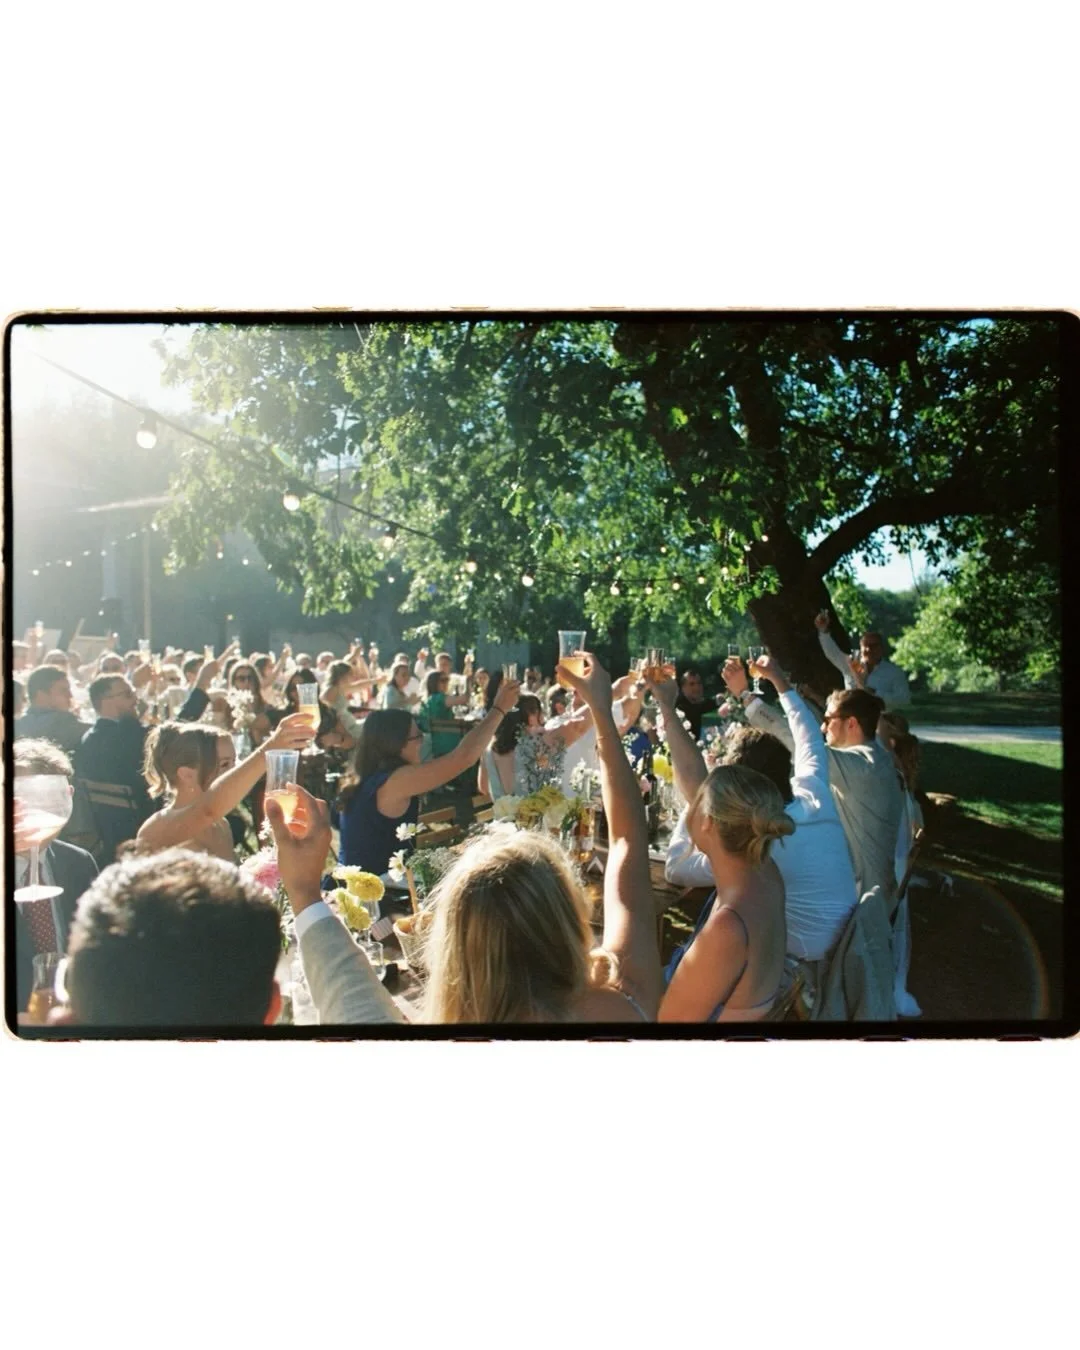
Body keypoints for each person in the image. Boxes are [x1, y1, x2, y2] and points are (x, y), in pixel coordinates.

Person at [422, 653, 662, 1023]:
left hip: (497, 853)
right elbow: (627, 841)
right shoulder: (540, 746)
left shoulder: (489, 753)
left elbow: (487, 791)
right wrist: (607, 695)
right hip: (536, 870)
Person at [665, 656, 858, 963]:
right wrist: (780, 682)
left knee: (721, 913)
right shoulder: (813, 793)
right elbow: (808, 737)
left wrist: (698, 800)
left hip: (799, 961)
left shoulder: (759, 841)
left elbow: (675, 870)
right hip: (844, 946)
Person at [334, 677, 521, 875]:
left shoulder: (371, 776)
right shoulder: (394, 781)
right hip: (372, 896)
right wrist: (499, 709)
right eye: (417, 736)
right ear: (396, 744)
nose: (423, 740)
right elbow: (462, 758)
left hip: (373, 885)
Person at [135, 713, 314, 860]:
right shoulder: (157, 830)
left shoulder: (221, 825)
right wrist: (270, 747)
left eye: (234, 762)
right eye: (224, 765)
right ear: (187, 775)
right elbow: (207, 810)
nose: (234, 772)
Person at [12, 739, 99, 1015]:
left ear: (68, 798)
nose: (32, 813)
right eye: (23, 801)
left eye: (47, 801)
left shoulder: (79, 862)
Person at [73, 674, 156, 861]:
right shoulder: (128, 736)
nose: (135, 699)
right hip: (141, 828)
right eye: (128, 694)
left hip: (108, 833)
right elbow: (172, 740)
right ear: (106, 701)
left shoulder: (90, 737)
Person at [478, 693, 593, 799]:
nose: (542, 719)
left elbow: (483, 787)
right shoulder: (538, 743)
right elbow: (577, 727)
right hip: (539, 819)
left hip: (502, 820)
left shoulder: (489, 749)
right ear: (531, 716)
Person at [814, 610, 910, 710]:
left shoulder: (894, 672)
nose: (869, 649)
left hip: (880, 721)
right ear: (860, 647)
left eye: (874, 646)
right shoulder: (851, 663)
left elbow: (904, 700)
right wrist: (823, 631)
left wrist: (874, 693)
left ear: (882, 648)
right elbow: (832, 653)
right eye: (866, 645)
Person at [15, 664, 94, 755]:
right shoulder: (63, 721)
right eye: (63, 690)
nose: (70, 695)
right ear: (41, 695)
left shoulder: (18, 724)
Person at [418, 668, 471, 760]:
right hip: (448, 742)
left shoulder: (426, 700)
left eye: (447, 680)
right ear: (434, 683)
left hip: (432, 743)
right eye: (443, 680)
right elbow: (465, 699)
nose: (447, 683)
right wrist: (468, 682)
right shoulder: (439, 698)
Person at [675, 667, 708, 741]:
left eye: (699, 683)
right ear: (683, 687)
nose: (697, 687)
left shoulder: (696, 705)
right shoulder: (680, 707)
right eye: (692, 684)